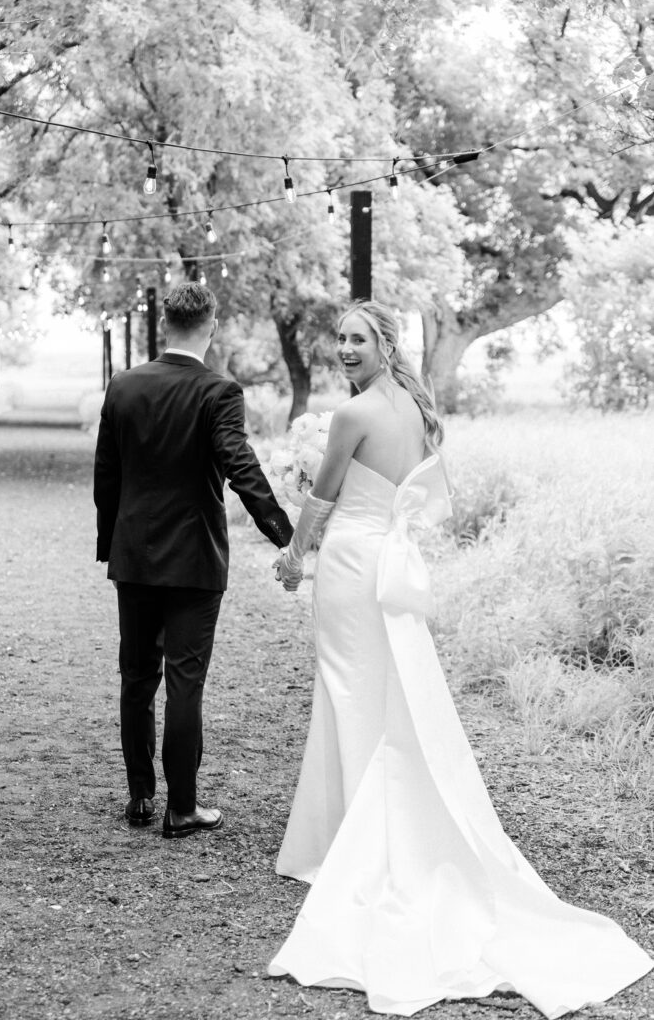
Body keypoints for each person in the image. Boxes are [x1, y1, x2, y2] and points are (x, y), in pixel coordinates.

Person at [268, 300, 652, 1017]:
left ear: (384, 344)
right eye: (340, 339)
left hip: (354, 565)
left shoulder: (351, 418)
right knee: (383, 694)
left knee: (349, 692)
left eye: (358, 339)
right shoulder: (414, 409)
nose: (345, 349)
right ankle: (346, 830)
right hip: (389, 560)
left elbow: (320, 506)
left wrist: (291, 562)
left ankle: (353, 841)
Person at [94, 282, 293, 839]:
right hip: (194, 560)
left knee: (136, 678)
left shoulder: (124, 385)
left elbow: (105, 474)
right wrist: (283, 532)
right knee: (185, 682)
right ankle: (181, 808)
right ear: (211, 325)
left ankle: (139, 798)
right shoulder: (219, 391)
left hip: (135, 557)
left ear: (165, 326)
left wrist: (112, 542)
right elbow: (239, 464)